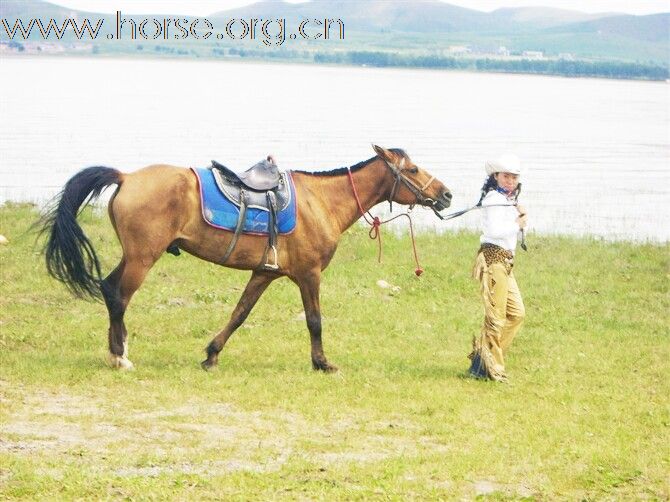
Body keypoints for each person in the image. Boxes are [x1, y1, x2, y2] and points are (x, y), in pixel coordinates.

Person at [468, 154, 527, 382]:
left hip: (506, 262)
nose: (510, 181)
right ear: (496, 177)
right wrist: (517, 223)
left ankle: (484, 361)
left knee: (517, 314)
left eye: (514, 177)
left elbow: (510, 233)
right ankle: (494, 369)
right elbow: (494, 231)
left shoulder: (507, 200)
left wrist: (519, 218)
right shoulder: (494, 199)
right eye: (506, 176)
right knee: (497, 317)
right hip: (494, 261)